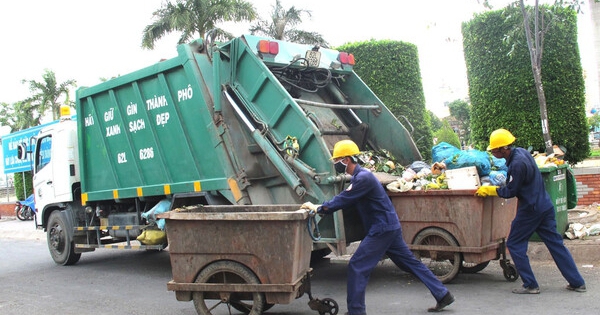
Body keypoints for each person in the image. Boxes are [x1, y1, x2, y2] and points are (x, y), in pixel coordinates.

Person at [301, 140, 454, 314]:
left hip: (381, 229)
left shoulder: (362, 178)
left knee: (357, 266)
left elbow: (344, 199)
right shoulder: (361, 176)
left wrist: (319, 208)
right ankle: (442, 294)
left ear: (347, 160)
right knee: (410, 263)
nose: (335, 164)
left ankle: (356, 311)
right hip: (389, 226)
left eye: (337, 161)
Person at [476, 128, 586, 294]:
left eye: (493, 150)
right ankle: (577, 282)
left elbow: (510, 191)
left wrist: (490, 190)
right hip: (545, 205)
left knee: (514, 243)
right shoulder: (521, 153)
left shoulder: (517, 164)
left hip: (531, 209)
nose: (492, 153)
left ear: (503, 148)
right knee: (556, 244)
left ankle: (530, 285)